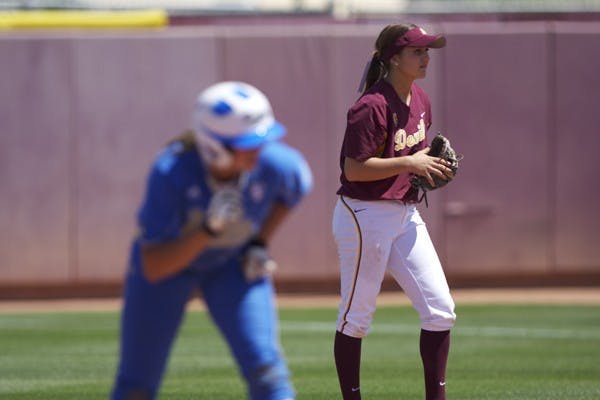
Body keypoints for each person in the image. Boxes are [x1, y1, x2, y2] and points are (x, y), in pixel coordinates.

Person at [111, 81, 313, 400]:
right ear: (214, 147)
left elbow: (295, 189)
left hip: (230, 264)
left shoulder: (277, 164)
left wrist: (258, 243)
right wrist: (207, 231)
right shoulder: (171, 171)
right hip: (171, 269)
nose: (261, 150)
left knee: (267, 371)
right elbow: (154, 266)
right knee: (136, 385)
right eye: (250, 143)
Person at [332, 24, 457, 400]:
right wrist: (411, 163)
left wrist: (429, 168)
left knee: (440, 310)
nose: (425, 57)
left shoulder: (420, 100)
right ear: (394, 58)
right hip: (363, 213)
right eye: (417, 51)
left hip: (405, 212)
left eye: (427, 50)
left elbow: (414, 161)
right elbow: (354, 169)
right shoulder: (370, 106)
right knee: (357, 316)